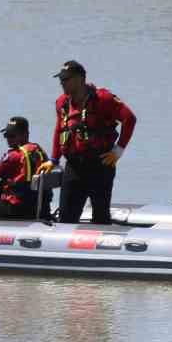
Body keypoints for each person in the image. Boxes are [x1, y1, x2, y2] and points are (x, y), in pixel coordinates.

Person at [36, 60, 137, 225]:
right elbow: (59, 130)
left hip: (101, 165)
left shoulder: (103, 98)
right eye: (61, 79)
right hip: (74, 166)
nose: (62, 83)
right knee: (66, 218)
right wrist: (53, 159)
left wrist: (118, 151)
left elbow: (129, 119)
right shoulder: (61, 103)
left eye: (66, 79)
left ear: (80, 79)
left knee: (100, 217)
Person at [0, 116, 50, 219]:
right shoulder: (38, 150)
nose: (8, 139)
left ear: (25, 134)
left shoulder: (14, 155)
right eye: (6, 135)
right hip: (40, 207)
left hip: (16, 209)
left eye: (12, 135)